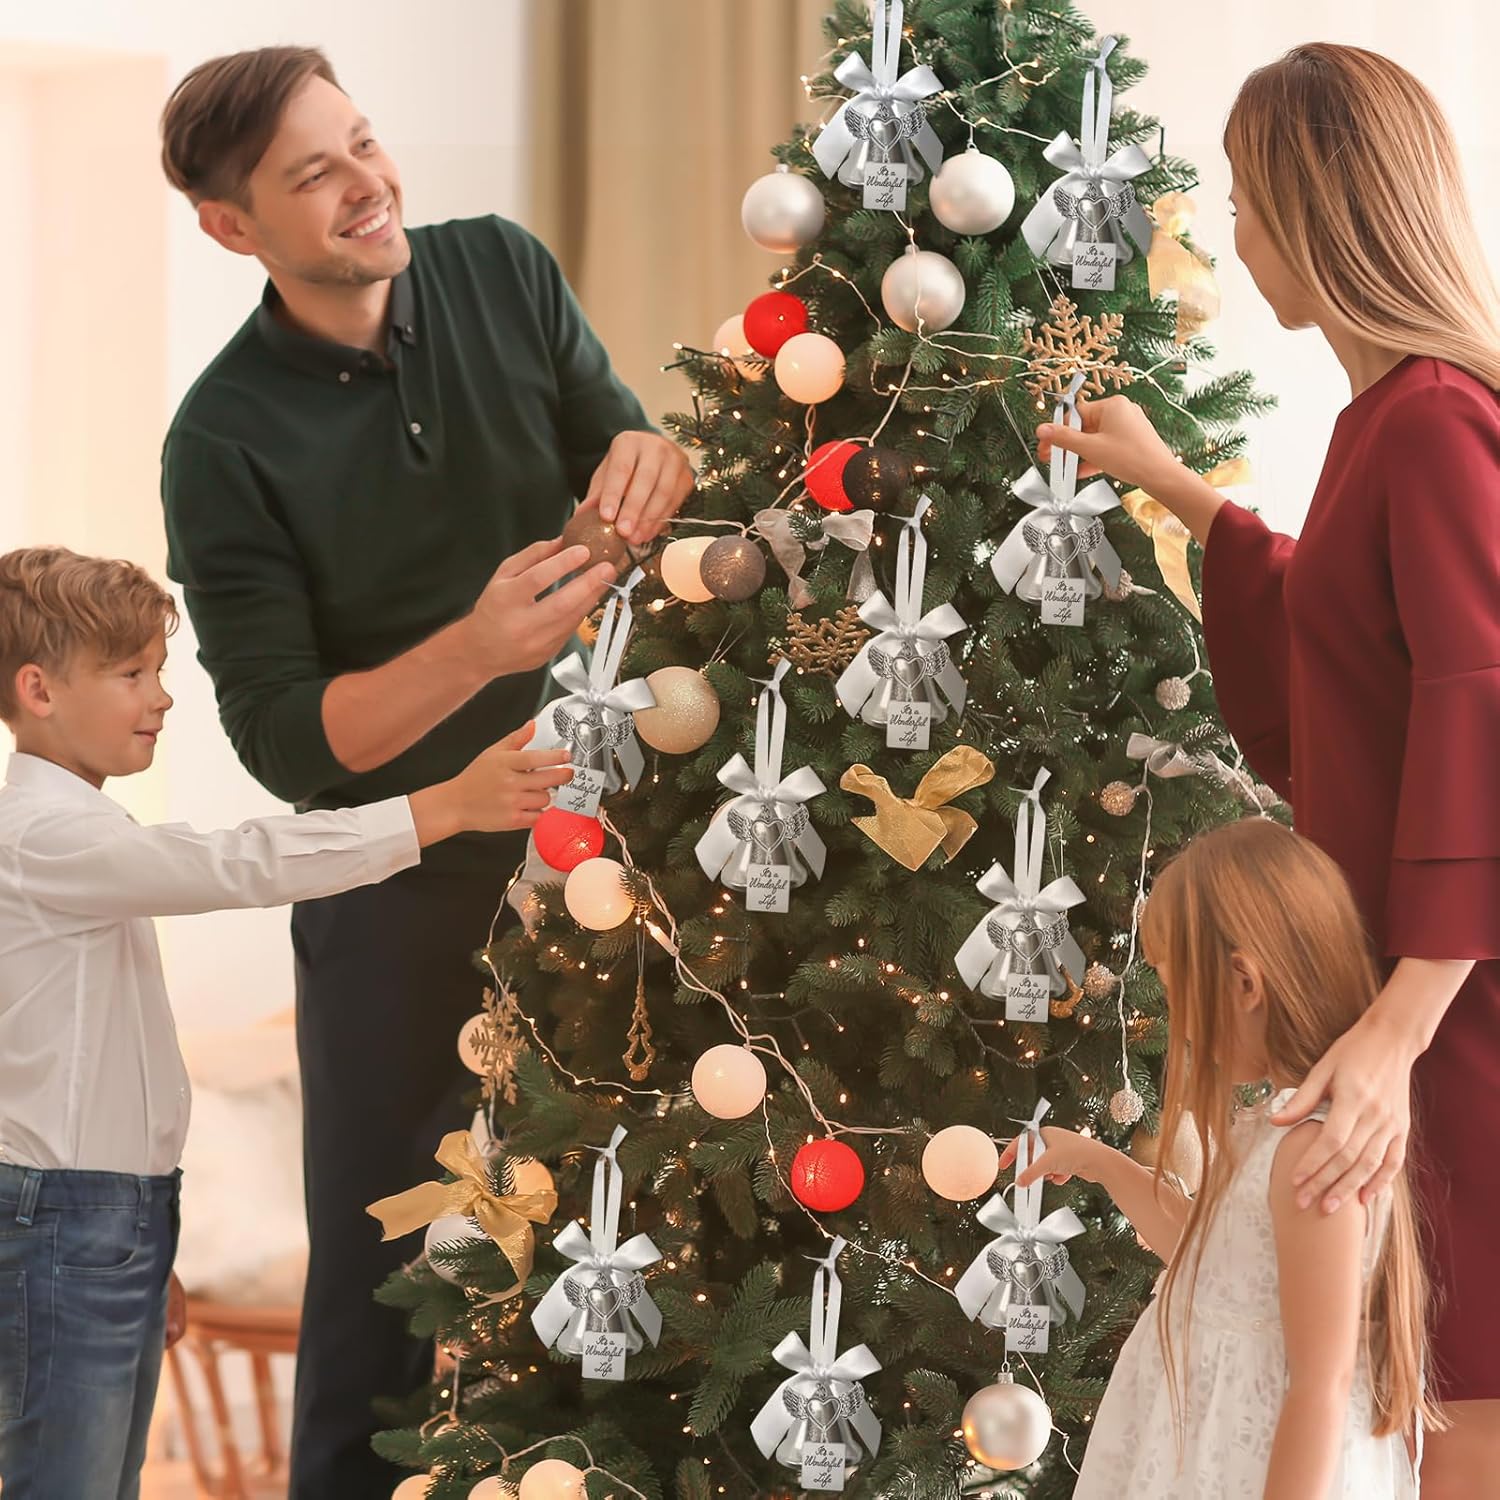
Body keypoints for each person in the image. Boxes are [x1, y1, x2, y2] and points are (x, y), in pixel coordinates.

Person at [156, 45, 694, 1496]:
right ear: (232, 228)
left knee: (644, 1251)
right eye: (311, 175)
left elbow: (619, 451)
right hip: (397, 891)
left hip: (611, 856)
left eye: (364, 144)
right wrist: (468, 651)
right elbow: (283, 741)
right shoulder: (218, 440)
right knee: (389, 1291)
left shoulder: (503, 271)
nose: (363, 187)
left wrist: (648, 461)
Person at [1034, 43, 1499, 1495]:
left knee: (1468, 1396)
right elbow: (1345, 636)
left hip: (1459, 1007)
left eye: (1245, 199)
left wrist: (1405, 1023)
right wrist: (1180, 485)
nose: (1231, 233)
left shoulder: (1435, 420)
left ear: (1317, 207)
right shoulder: (1382, 422)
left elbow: (1484, 701)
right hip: (1408, 997)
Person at [0, 547, 574, 1499]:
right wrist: (443, 807)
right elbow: (239, 862)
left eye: (160, 670)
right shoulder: (45, 836)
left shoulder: (83, 835)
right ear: (38, 689)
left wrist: (145, 1252)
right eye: (131, 673)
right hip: (72, 1218)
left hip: (103, 1219)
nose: (162, 698)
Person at [1000, 820, 1431, 1496]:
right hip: (1203, 1451)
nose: (1180, 1025)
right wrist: (1103, 1164)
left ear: (1244, 982)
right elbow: (1211, 1260)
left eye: (1179, 998)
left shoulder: (1309, 1152)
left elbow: (1322, 1383)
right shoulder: (1270, 1128)